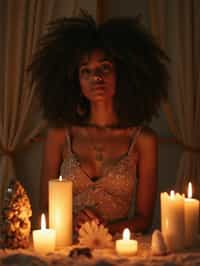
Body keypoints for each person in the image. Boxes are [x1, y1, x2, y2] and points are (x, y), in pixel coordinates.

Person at [29, 11, 169, 235]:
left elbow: (144, 219)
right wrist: (71, 221)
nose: (96, 77)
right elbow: (44, 208)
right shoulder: (60, 134)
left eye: (105, 67)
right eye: (86, 71)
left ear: (122, 73)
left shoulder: (143, 139)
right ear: (76, 81)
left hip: (122, 250)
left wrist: (104, 229)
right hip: (68, 248)